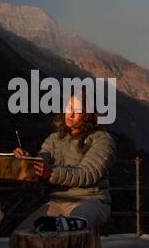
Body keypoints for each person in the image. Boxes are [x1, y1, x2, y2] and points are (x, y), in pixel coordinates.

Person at [12, 90, 117, 234]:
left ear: (89, 114)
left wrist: (50, 172)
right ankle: (63, 224)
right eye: (69, 107)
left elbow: (87, 174)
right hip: (57, 202)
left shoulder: (103, 140)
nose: (71, 113)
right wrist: (28, 161)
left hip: (90, 200)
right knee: (20, 235)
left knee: (77, 225)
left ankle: (71, 225)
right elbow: (43, 159)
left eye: (77, 110)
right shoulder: (54, 139)